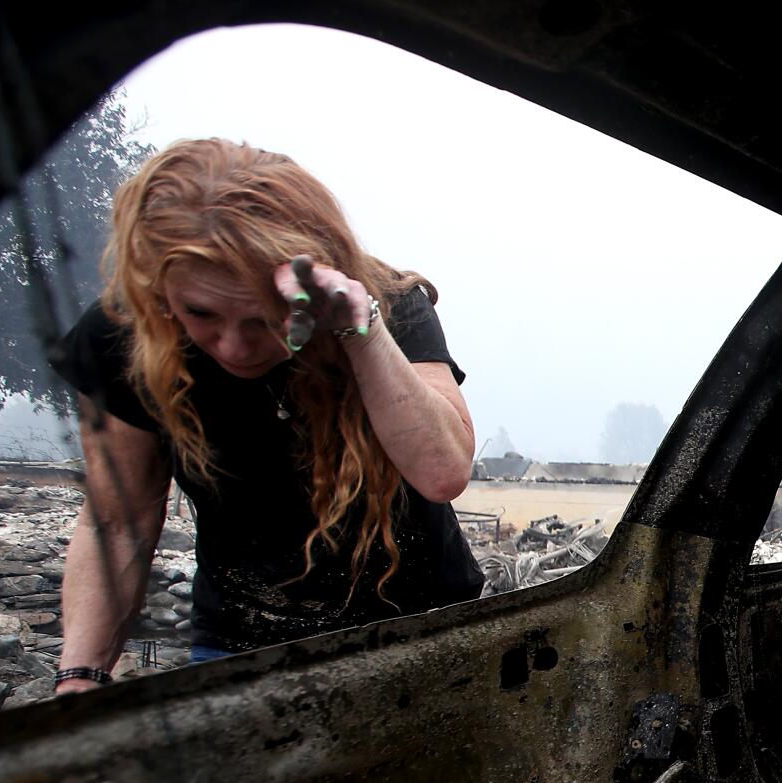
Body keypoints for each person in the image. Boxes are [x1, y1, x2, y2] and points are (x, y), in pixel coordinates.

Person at [48, 138, 482, 693]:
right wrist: (81, 675)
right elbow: (119, 522)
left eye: (261, 319)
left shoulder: (387, 307)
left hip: (424, 631)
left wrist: (361, 333)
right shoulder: (122, 339)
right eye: (200, 313)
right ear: (159, 290)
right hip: (239, 645)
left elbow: (443, 472)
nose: (234, 347)